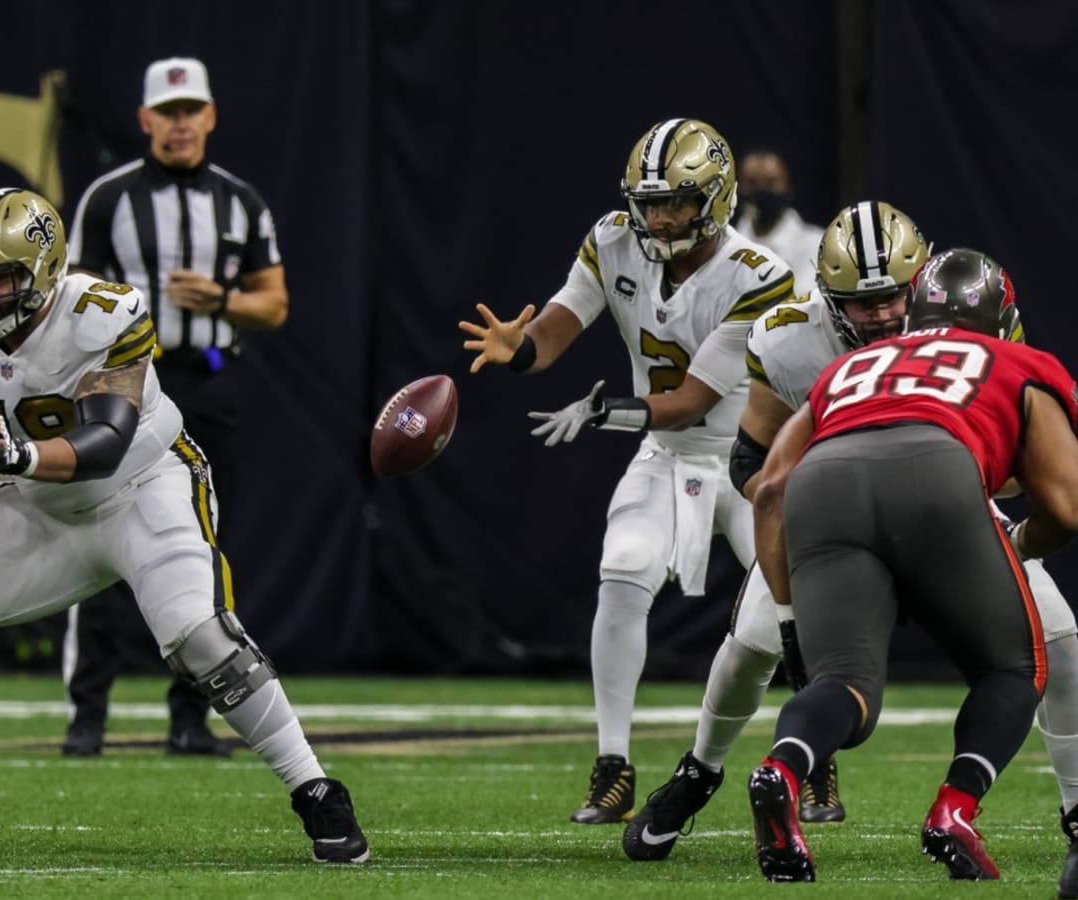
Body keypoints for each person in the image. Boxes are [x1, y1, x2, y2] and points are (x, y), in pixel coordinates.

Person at [0, 188, 367, 863]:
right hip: (40, 508)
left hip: (142, 487)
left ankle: (315, 789)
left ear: (45, 270)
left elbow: (106, 437)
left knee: (201, 638)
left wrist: (18, 454)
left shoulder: (102, 314)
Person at [459, 117, 795, 824]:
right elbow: (554, 330)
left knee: (786, 612)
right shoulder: (614, 238)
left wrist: (605, 411)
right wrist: (517, 349)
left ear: (717, 197)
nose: (659, 216)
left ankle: (812, 757)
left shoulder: (760, 276)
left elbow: (694, 400)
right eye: (650, 202)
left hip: (747, 462)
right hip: (665, 453)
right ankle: (613, 764)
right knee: (623, 569)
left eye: (675, 201)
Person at [746, 247, 1078, 882]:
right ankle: (953, 809)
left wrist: (790, 621)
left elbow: (768, 490)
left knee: (842, 685)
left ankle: (782, 767)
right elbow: (1066, 504)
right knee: (1013, 667)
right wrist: (1021, 545)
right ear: (1000, 317)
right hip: (939, 470)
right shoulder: (1021, 361)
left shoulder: (853, 365)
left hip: (821, 485)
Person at [618, 200, 930, 862]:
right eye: (858, 301)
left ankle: (1068, 808)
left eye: (889, 298)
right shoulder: (792, 341)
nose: (877, 316)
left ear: (920, 283)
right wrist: (795, 547)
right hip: (835, 525)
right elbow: (750, 463)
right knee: (749, 645)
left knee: (1056, 640)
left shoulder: (958, 323)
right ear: (826, 295)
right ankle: (699, 772)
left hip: (942, 515)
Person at [61, 57, 289, 757]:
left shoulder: (241, 201)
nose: (181, 122)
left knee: (201, 547)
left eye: (193, 109)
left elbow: (274, 304)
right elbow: (72, 301)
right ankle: (87, 717)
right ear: (146, 119)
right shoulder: (108, 199)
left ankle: (190, 719)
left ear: (211, 116)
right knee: (98, 542)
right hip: (125, 386)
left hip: (208, 381)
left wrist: (219, 300)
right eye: (169, 110)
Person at [734, 149, 822, 298]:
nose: (761, 190)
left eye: (771, 182)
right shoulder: (723, 246)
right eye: (751, 182)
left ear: (787, 185)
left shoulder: (816, 244)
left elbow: (803, 303)